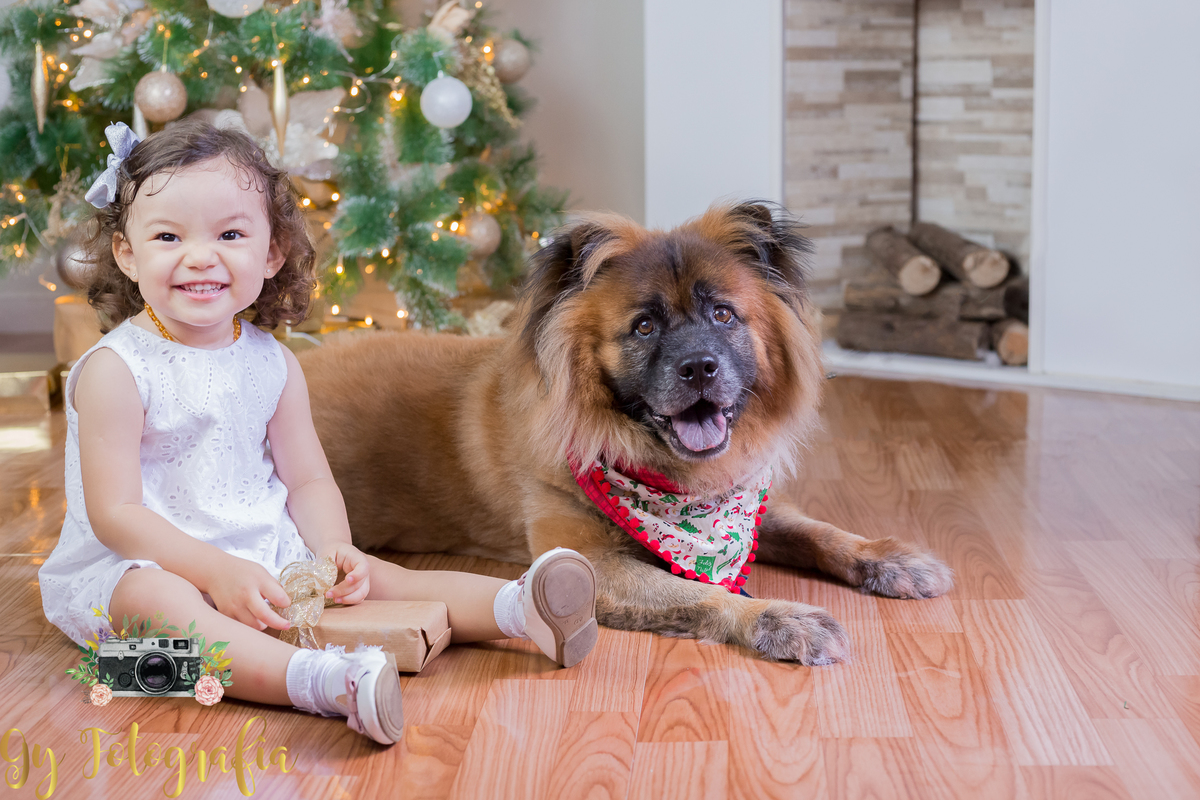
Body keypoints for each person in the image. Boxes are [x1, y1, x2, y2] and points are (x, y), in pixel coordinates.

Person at [38, 119, 599, 746]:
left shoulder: (270, 360)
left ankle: (523, 608)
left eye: (230, 234)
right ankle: (321, 683)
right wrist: (215, 571)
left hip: (258, 545)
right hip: (145, 562)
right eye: (168, 235)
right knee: (166, 607)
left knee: (380, 579)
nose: (201, 256)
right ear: (126, 253)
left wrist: (335, 548)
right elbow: (115, 514)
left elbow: (306, 476)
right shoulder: (119, 368)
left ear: (272, 251)